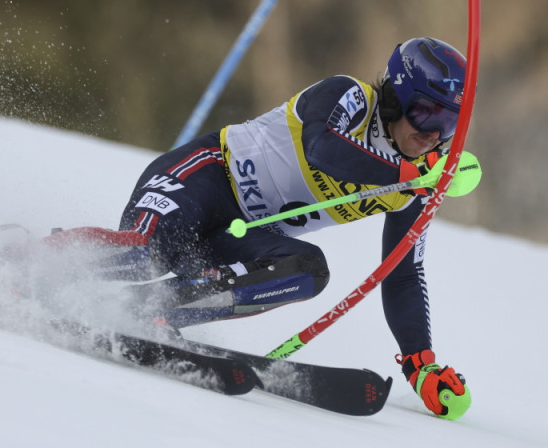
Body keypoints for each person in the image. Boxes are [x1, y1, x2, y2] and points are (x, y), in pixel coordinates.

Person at [117, 37, 476, 419]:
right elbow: (320, 146)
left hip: (236, 239)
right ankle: (53, 260)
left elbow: (402, 274)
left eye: (448, 123)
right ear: (395, 97)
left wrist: (421, 366)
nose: (434, 135)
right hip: (202, 180)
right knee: (140, 256)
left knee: (307, 270)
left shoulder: (416, 185)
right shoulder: (350, 98)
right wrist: (405, 175)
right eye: (426, 114)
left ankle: (155, 309)